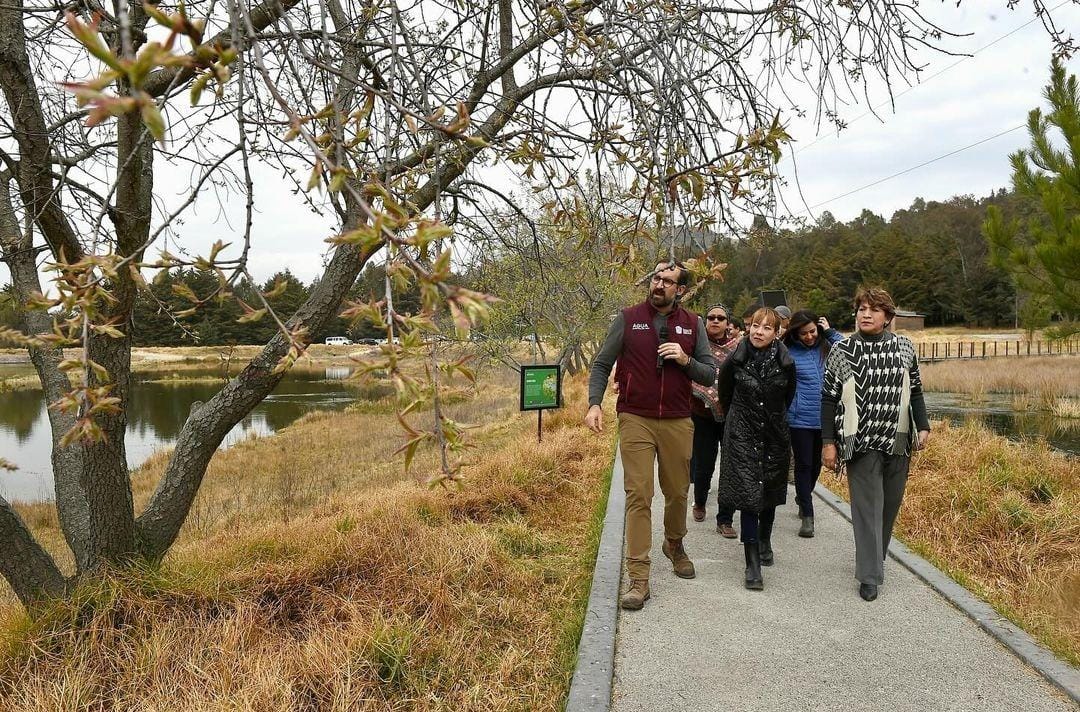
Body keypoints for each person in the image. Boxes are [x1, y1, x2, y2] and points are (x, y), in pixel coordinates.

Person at [586, 262, 717, 610]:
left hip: (677, 419)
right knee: (638, 495)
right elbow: (601, 364)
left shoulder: (694, 324)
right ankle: (638, 578)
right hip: (635, 418)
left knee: (677, 492)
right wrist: (594, 404)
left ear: (681, 290)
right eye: (656, 278)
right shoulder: (628, 318)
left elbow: (709, 373)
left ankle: (674, 543)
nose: (659, 284)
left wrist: (685, 359)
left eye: (668, 281)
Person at [821, 287, 931, 602]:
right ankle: (869, 576)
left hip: (898, 441)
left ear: (887, 317)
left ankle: (875, 557)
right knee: (867, 509)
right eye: (861, 309)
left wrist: (923, 425)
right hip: (861, 441)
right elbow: (828, 400)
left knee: (889, 506)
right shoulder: (842, 351)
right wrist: (829, 443)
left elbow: (917, 390)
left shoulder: (905, 348)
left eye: (874, 309)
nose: (866, 314)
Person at [715, 307, 795, 590]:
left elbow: (787, 397)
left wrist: (772, 420)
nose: (759, 331)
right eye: (756, 326)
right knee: (749, 497)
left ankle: (765, 539)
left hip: (774, 434)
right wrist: (738, 422)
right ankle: (752, 563)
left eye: (767, 327)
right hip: (742, 435)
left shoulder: (786, 363)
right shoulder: (734, 361)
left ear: (777, 333)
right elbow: (724, 395)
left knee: (769, 493)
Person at [782, 310, 843, 538]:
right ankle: (807, 515)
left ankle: (803, 493)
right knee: (804, 464)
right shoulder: (788, 352)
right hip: (799, 419)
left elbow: (851, 352)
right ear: (795, 334)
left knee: (817, 464)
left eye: (812, 331)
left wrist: (830, 332)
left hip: (826, 418)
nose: (808, 337)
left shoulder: (827, 347)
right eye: (803, 333)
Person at [689, 303, 740, 526]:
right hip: (701, 414)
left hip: (731, 415)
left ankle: (725, 519)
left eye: (721, 318)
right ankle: (699, 502)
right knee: (703, 465)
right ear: (705, 320)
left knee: (730, 467)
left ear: (728, 323)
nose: (716, 321)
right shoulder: (695, 345)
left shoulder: (739, 347)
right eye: (711, 317)